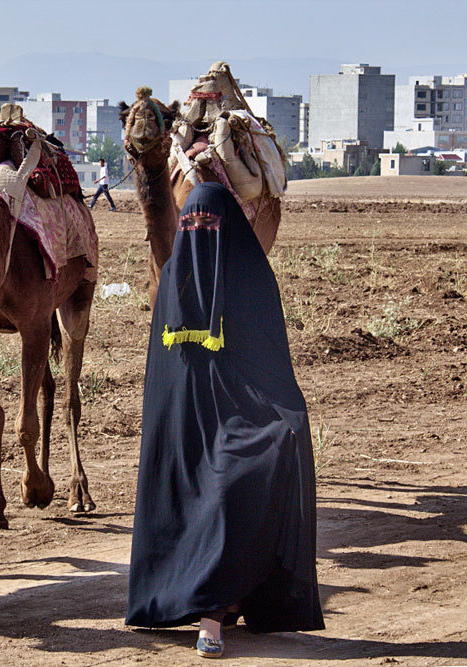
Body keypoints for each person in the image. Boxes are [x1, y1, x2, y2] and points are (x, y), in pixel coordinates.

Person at [126, 182, 324, 659]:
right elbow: (164, 374)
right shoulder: (174, 277)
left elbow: (271, 362)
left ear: (229, 226)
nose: (199, 233)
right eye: (190, 225)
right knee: (204, 494)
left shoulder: (252, 279)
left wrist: (284, 415)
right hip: (185, 427)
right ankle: (207, 602)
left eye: (209, 224)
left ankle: (214, 613)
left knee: (230, 490)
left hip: (241, 417)